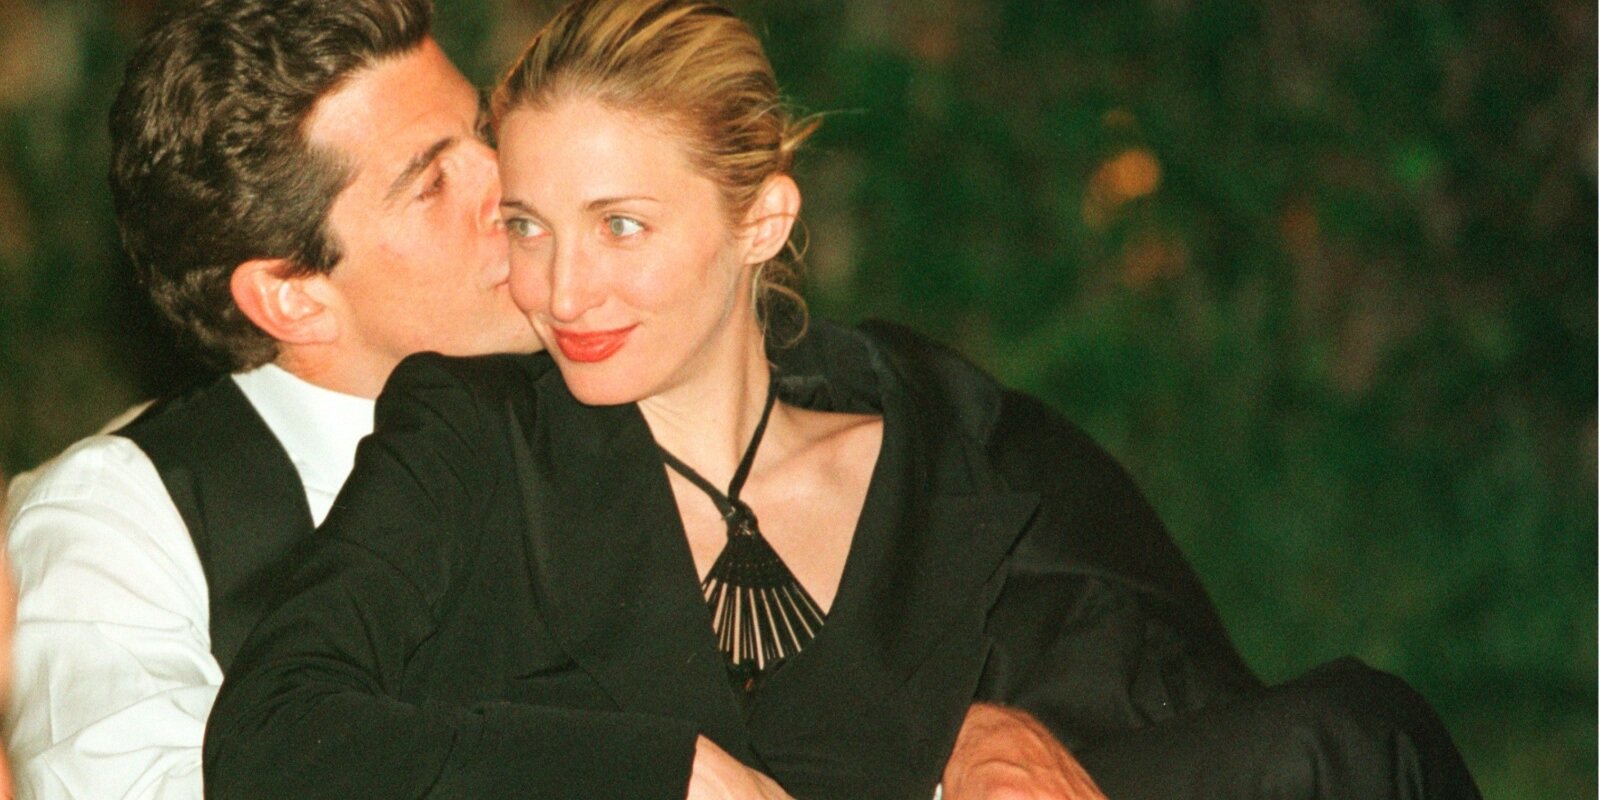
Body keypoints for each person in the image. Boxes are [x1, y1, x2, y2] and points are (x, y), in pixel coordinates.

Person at [204, 1, 1479, 798]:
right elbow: (271, 734)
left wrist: (995, 727)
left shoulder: (947, 444)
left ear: (761, 216)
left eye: (623, 224)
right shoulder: (473, 439)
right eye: (527, 222)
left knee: (1351, 732)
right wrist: (659, 774)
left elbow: (1167, 688)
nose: (559, 283)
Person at [3, 1, 1227, 797]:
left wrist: (944, 716)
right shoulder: (125, 520)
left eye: (481, 131)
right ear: (290, 296)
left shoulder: (672, 364)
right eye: (436, 182)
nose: (507, 182)